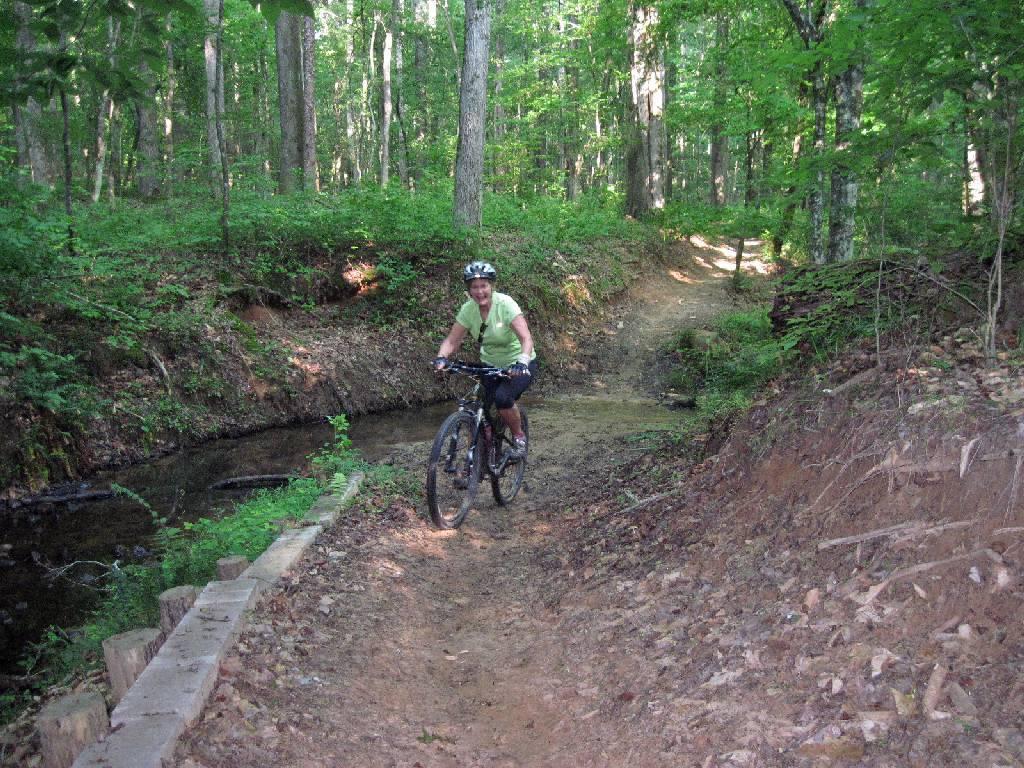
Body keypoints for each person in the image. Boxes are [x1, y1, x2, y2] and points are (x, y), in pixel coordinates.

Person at [434, 261, 538, 458]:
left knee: (502, 399)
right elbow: (452, 340)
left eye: (484, 286)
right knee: (480, 409)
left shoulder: (506, 305)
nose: (480, 291)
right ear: (469, 290)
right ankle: (481, 457)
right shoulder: (468, 310)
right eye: (475, 287)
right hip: (490, 365)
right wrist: (442, 358)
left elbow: (526, 338)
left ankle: (519, 438)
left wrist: (522, 361)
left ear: (492, 286)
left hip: (519, 365)